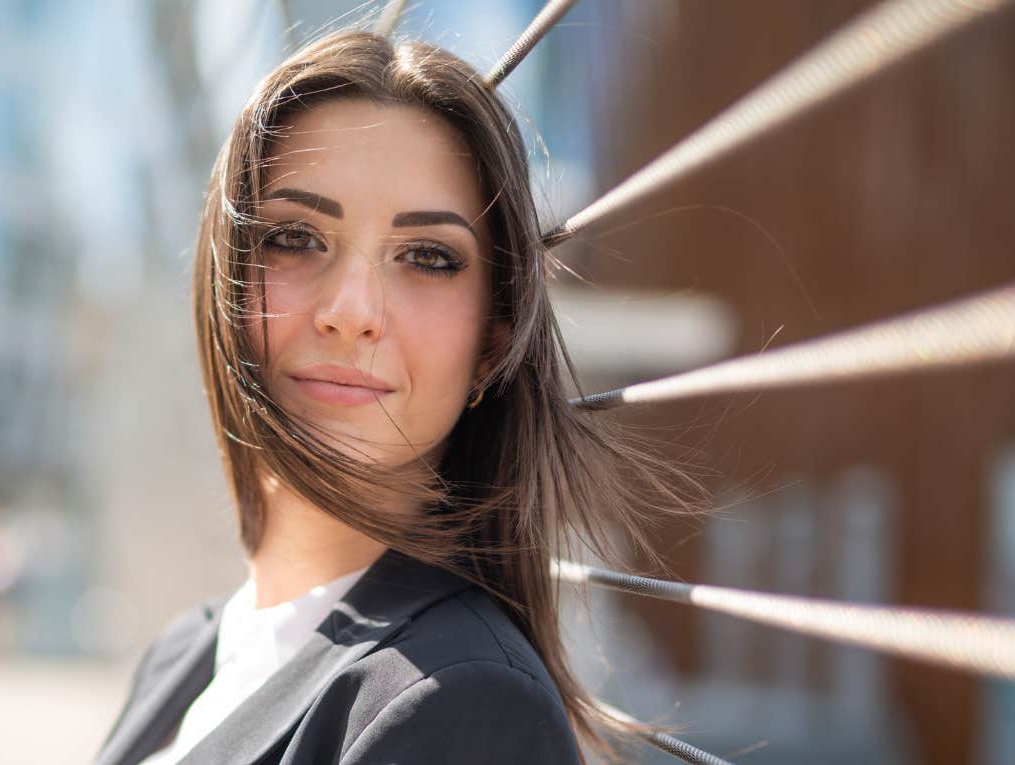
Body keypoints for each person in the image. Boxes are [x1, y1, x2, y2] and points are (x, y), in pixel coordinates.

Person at [94, 28, 700, 765]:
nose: (352, 309)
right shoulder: (186, 653)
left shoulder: (464, 700)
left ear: (492, 343)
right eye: (295, 237)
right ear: (224, 288)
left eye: (426, 257)